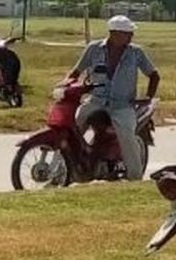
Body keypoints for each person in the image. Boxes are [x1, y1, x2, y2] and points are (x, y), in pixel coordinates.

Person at [67, 15, 159, 180]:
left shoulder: (136, 53)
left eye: (131, 33)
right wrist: (64, 85)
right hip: (96, 101)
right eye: (127, 33)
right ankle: (66, 168)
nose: (131, 36)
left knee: (127, 136)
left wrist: (148, 97)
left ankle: (135, 177)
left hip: (122, 105)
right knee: (74, 125)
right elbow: (75, 72)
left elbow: (154, 75)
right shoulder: (93, 49)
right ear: (114, 33)